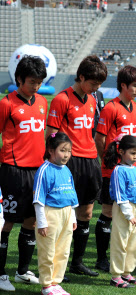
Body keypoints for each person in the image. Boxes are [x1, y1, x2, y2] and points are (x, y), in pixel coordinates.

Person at [46, 55, 107, 275]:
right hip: (69, 162)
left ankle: (77, 263)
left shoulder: (92, 100)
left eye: (99, 85)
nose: (96, 88)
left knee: (86, 213)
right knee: (63, 215)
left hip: (90, 160)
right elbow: (50, 134)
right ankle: (55, 264)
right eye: (93, 83)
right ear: (81, 77)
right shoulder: (62, 99)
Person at [0, 56, 47, 291]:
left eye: (39, 82)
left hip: (37, 171)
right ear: (19, 79)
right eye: (31, 82)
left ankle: (21, 272)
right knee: (6, 223)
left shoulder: (42, 102)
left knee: (31, 221)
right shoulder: (6, 103)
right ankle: (0, 274)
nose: (36, 86)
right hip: (13, 170)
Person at [94, 65, 136, 271]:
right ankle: (102, 258)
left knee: (128, 213)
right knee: (108, 212)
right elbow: (100, 139)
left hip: (132, 170)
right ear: (123, 85)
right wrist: (110, 160)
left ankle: (126, 258)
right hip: (112, 170)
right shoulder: (110, 108)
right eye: (134, 85)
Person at [33, 133, 77, 295]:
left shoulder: (66, 170)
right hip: (50, 214)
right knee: (48, 250)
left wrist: (72, 217)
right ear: (51, 150)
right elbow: (38, 199)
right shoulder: (44, 170)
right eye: (62, 150)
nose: (66, 155)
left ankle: (55, 282)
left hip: (66, 214)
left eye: (69, 151)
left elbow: (71, 196)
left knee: (63, 251)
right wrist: (42, 222)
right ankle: (46, 285)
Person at [105, 135, 136, 288]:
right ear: (121, 151)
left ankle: (127, 272)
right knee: (120, 242)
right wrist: (129, 215)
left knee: (135, 243)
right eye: (132, 153)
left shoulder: (135, 169)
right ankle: (116, 276)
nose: (135, 157)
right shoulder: (118, 170)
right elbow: (120, 195)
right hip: (124, 209)